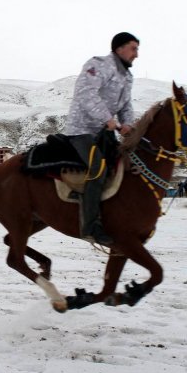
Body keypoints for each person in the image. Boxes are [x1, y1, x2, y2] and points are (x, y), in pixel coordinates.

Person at [63, 32, 139, 246]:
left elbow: (126, 105)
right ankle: (90, 227)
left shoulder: (127, 77)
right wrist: (108, 119)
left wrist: (128, 125)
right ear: (119, 49)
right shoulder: (98, 65)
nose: (137, 54)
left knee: (125, 165)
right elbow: (85, 93)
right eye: (133, 48)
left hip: (105, 133)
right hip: (82, 131)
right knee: (98, 168)